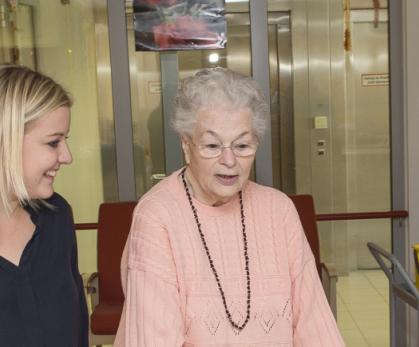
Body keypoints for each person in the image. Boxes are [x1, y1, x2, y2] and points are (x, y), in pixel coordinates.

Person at [115, 67, 344, 346]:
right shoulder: (157, 215)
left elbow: (314, 324)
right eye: (212, 145)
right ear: (186, 145)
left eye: (242, 145)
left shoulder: (278, 209)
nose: (229, 160)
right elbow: (152, 338)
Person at [0, 65, 88, 345]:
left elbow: (77, 326)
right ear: (6, 142)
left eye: (66, 140)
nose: (67, 156)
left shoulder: (57, 215)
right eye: (53, 143)